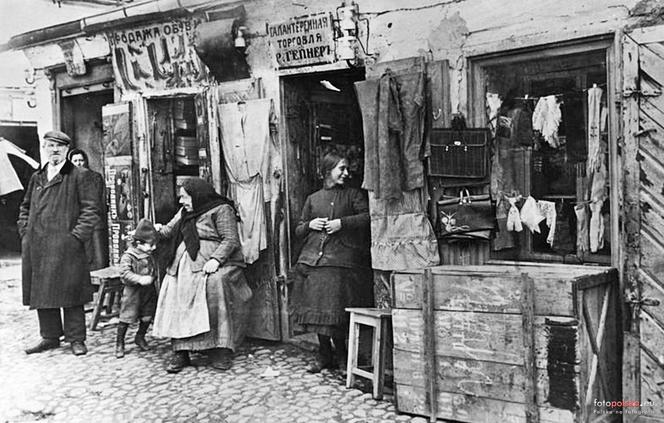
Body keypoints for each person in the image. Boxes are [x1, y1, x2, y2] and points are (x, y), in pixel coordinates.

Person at [152, 178, 252, 373]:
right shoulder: (185, 211)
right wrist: (151, 230)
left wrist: (215, 260)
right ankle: (181, 351)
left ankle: (221, 349)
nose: (181, 201)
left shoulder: (221, 209)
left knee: (215, 285)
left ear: (197, 195)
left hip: (213, 261)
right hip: (184, 262)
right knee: (173, 288)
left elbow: (230, 239)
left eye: (184, 197)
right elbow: (168, 231)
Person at [18, 130, 99, 356]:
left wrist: (75, 237)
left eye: (59, 147)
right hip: (38, 245)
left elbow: (91, 211)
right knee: (42, 292)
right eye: (50, 146)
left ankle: (76, 339)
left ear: (66, 150)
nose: (54, 150)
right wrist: (25, 231)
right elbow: (25, 207)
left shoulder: (79, 175)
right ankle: (50, 336)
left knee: (71, 291)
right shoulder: (37, 177)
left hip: (67, 245)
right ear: (44, 148)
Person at [291, 152, 373, 373]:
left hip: (341, 259)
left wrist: (341, 223)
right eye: (341, 169)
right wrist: (310, 224)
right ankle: (325, 356)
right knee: (315, 304)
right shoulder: (313, 198)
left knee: (333, 303)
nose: (346, 173)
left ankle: (344, 357)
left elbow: (368, 217)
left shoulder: (353, 195)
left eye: (346, 169)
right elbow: (298, 229)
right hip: (312, 259)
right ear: (328, 171)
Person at [116, 218, 158, 359]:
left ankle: (140, 337)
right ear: (139, 243)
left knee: (147, 316)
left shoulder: (149, 255)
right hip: (132, 293)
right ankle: (119, 343)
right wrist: (139, 279)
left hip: (148, 293)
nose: (153, 248)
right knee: (126, 318)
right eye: (150, 245)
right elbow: (124, 273)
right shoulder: (129, 256)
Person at [68, 148, 109, 270]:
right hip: (77, 222)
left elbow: (97, 199)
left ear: (85, 161)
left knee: (98, 253)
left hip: (94, 220)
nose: (78, 163)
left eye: (81, 160)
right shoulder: (68, 179)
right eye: (75, 161)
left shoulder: (95, 177)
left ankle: (100, 280)